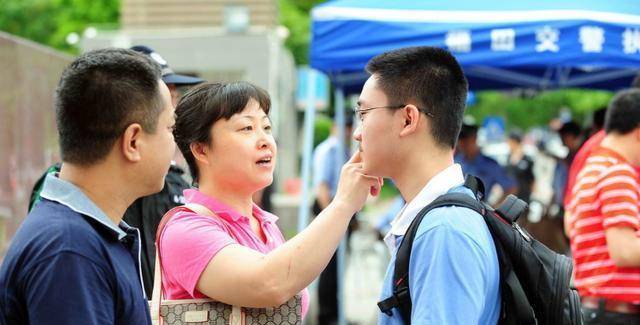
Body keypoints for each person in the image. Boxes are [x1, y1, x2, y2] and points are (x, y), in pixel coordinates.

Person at [159, 81, 381, 319]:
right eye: (246, 128)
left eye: (266, 127)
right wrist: (343, 204)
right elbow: (269, 284)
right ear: (201, 150)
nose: (264, 140)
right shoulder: (185, 230)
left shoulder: (265, 225)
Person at [0, 48, 175, 324]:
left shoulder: (83, 237)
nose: (173, 144)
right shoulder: (70, 250)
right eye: (170, 128)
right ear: (133, 142)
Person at [353, 46, 500, 323]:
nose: (357, 133)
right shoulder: (440, 220)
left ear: (408, 119)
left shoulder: (444, 231)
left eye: (364, 114)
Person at [566, 88, 640, 324]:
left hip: (599, 309)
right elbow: (625, 251)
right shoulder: (617, 172)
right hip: (618, 314)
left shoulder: (593, 167)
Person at [312, 116, 357, 325]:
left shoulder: (342, 149)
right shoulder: (329, 150)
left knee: (338, 265)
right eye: (346, 126)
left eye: (350, 126)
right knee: (329, 266)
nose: (349, 130)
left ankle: (334, 311)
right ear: (335, 126)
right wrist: (332, 217)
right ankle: (327, 315)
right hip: (329, 208)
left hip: (338, 210)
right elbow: (322, 188)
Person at [455, 122, 517, 203]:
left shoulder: (490, 165)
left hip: (478, 211)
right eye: (460, 138)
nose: (461, 142)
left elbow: (511, 187)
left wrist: (494, 209)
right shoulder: (455, 161)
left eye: (465, 138)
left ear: (474, 138)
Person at [506, 130, 535, 203]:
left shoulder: (527, 159)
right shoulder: (509, 158)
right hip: (511, 196)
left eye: (509, 142)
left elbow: (532, 178)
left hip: (523, 196)